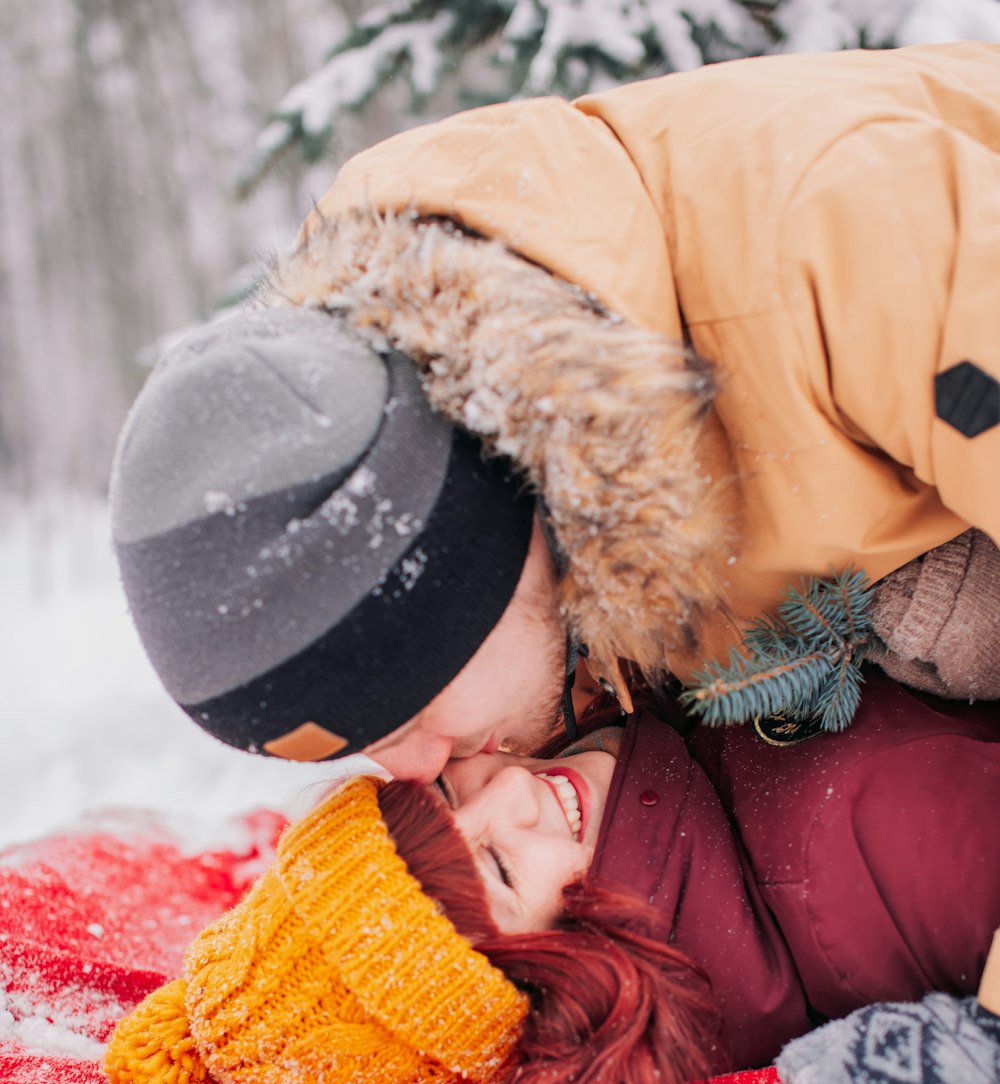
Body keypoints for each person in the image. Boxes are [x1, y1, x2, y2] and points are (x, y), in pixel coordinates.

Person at [109, 43, 1000, 784]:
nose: (417, 773)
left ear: (460, 564)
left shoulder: (850, 247)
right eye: (366, 750)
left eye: (404, 713)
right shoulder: (533, 529)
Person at [104, 670, 1000, 1084]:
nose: (516, 795)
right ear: (555, 982)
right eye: (496, 865)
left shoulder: (654, 751)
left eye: (449, 798)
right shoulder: (854, 849)